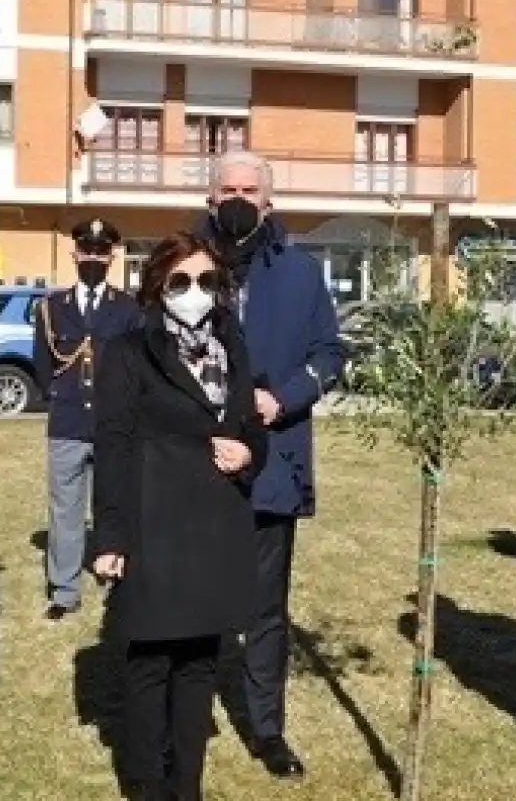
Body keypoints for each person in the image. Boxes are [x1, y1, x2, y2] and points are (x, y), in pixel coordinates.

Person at [90, 232, 267, 801]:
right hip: (154, 526)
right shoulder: (127, 351)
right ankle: (147, 782)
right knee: (150, 662)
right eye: (182, 282)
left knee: (198, 664)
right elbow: (112, 445)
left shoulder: (232, 344)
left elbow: (251, 427)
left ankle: (185, 785)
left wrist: (249, 455)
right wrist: (110, 536)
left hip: (216, 527)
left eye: (206, 282)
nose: (195, 293)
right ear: (158, 288)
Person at [192, 150, 345, 780]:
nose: (237, 197)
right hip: (194, 464)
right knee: (191, 599)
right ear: (209, 198)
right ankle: (187, 713)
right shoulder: (182, 265)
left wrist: (283, 398)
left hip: (273, 463)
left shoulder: (302, 273)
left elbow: (331, 352)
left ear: (268, 201)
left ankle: (267, 728)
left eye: (248, 189)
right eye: (226, 187)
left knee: (265, 611)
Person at [33, 216, 143, 622]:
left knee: (113, 502)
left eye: (101, 251)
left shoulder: (129, 309)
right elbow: (44, 367)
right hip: (67, 423)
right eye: (87, 251)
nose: (93, 257)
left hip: (115, 425)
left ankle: (116, 572)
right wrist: (60, 399)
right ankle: (64, 590)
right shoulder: (50, 308)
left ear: (111, 257)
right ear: (75, 254)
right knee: (65, 509)